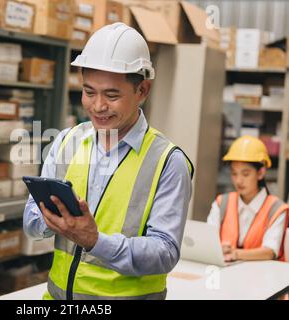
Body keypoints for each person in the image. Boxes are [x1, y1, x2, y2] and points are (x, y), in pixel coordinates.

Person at [23, 23, 194, 300]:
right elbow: (31, 221)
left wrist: (95, 241)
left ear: (143, 91)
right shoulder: (67, 141)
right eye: (89, 92)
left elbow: (165, 253)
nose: (98, 106)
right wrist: (51, 220)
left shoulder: (167, 162)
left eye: (112, 95)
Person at [208, 135, 289, 262]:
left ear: (261, 173)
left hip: (263, 278)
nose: (238, 180)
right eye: (234, 173)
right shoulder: (221, 203)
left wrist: (235, 254)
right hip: (224, 275)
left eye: (245, 174)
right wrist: (218, 248)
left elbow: (270, 251)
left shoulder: (277, 209)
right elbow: (208, 242)